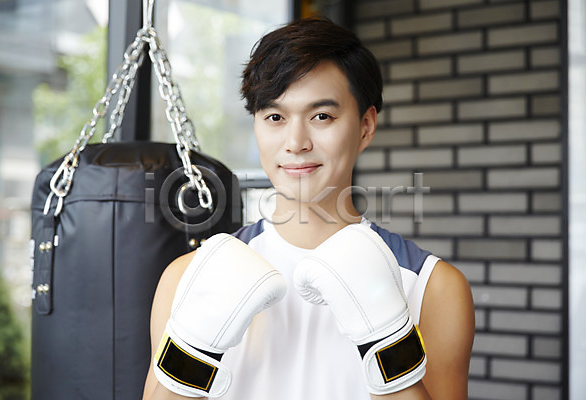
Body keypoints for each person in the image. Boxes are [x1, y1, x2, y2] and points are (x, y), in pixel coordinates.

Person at [142, 17, 474, 400]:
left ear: (366, 126)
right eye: (275, 117)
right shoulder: (187, 278)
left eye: (322, 116)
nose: (296, 142)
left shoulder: (433, 287)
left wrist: (386, 342)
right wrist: (192, 351)